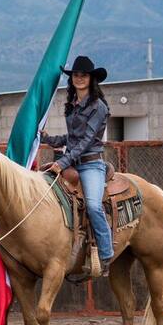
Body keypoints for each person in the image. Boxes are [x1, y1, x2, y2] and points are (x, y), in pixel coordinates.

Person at [41, 55, 113, 277]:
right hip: (72, 161)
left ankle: (106, 253)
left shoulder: (98, 106)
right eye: (75, 75)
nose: (79, 78)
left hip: (91, 164)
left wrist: (62, 162)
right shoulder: (72, 106)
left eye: (84, 75)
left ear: (91, 79)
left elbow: (87, 141)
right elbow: (72, 138)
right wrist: (48, 139)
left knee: (93, 206)